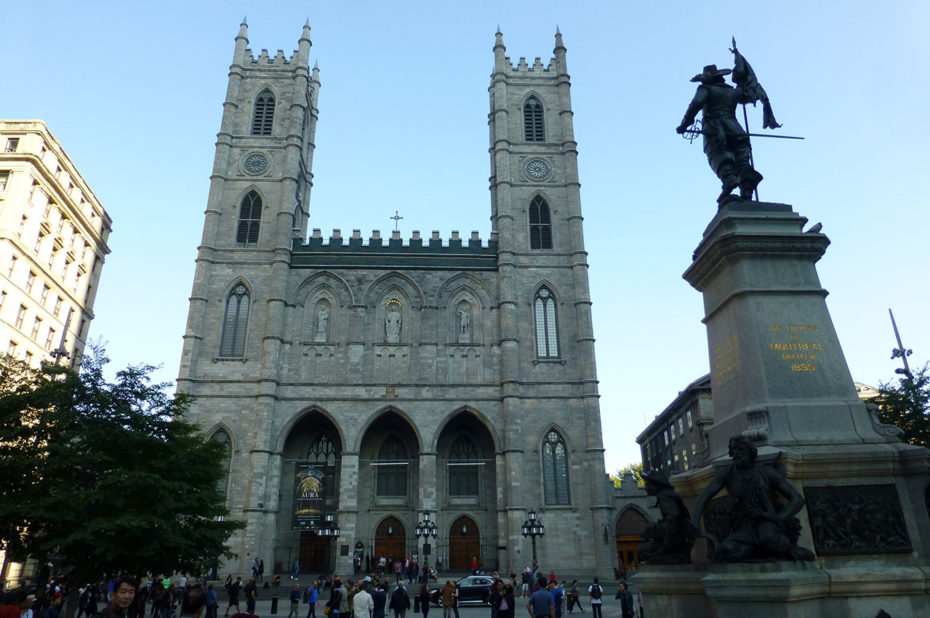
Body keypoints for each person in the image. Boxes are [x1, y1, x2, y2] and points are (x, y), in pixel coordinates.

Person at [691, 435, 815, 562]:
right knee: (726, 549)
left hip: (765, 522)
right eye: (733, 450)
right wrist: (695, 520)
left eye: (741, 449)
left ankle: (789, 549)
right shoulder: (728, 473)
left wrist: (779, 518)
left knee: (768, 537)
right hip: (743, 526)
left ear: (751, 452)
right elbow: (705, 494)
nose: (736, 453)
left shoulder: (765, 472)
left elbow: (797, 499)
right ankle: (765, 551)